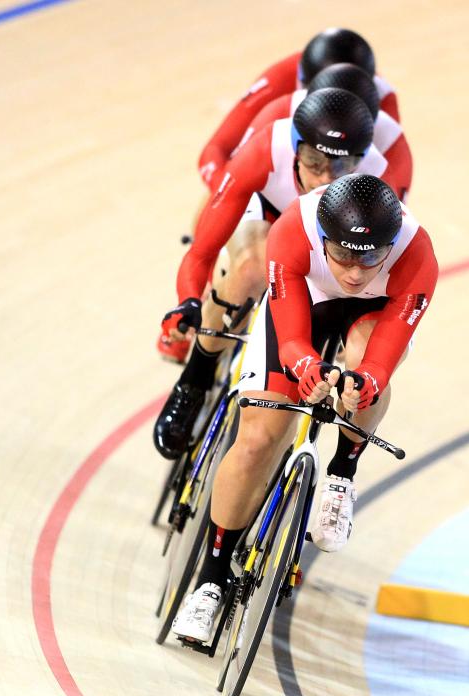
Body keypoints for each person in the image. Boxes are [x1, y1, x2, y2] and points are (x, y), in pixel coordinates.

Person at [171, 174, 438, 642]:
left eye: (371, 257)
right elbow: (291, 338)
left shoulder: (416, 255)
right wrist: (308, 369)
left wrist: (366, 383)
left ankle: (341, 473)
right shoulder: (295, 228)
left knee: (364, 369)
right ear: (324, 238)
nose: (355, 274)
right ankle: (209, 581)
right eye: (343, 257)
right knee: (257, 440)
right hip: (302, 307)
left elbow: (383, 356)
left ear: (391, 244)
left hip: (369, 318)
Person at [153, 88, 388, 456]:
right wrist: (188, 302)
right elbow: (202, 252)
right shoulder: (267, 148)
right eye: (313, 161)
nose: (326, 177)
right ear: (294, 149)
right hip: (268, 212)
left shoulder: (377, 173)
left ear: (360, 160)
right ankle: (195, 378)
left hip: (326, 245)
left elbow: (381, 261)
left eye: (341, 167)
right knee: (248, 269)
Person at [197, 28, 399, 191]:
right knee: (233, 175)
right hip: (279, 175)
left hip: (332, 191)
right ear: (301, 83)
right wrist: (224, 192)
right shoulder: (277, 81)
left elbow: (389, 181)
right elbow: (216, 150)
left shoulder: (383, 100)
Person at [246, 62, 413, 199]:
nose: (326, 179)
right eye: (313, 159)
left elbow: (393, 228)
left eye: (344, 162)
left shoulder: (388, 147)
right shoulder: (277, 126)